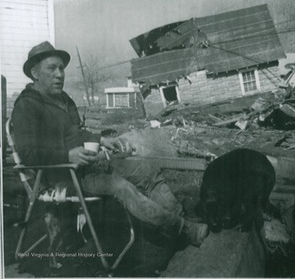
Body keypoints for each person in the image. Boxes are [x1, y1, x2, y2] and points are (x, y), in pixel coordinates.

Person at [12, 41, 209, 247]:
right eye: (52, 68)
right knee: (121, 187)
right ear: (35, 73)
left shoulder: (64, 100)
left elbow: (77, 133)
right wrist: (66, 156)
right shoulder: (27, 106)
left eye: (61, 68)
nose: (60, 74)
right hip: (59, 178)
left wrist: (101, 140)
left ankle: (180, 216)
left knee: (145, 169)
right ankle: (182, 229)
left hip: (86, 167)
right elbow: (27, 153)